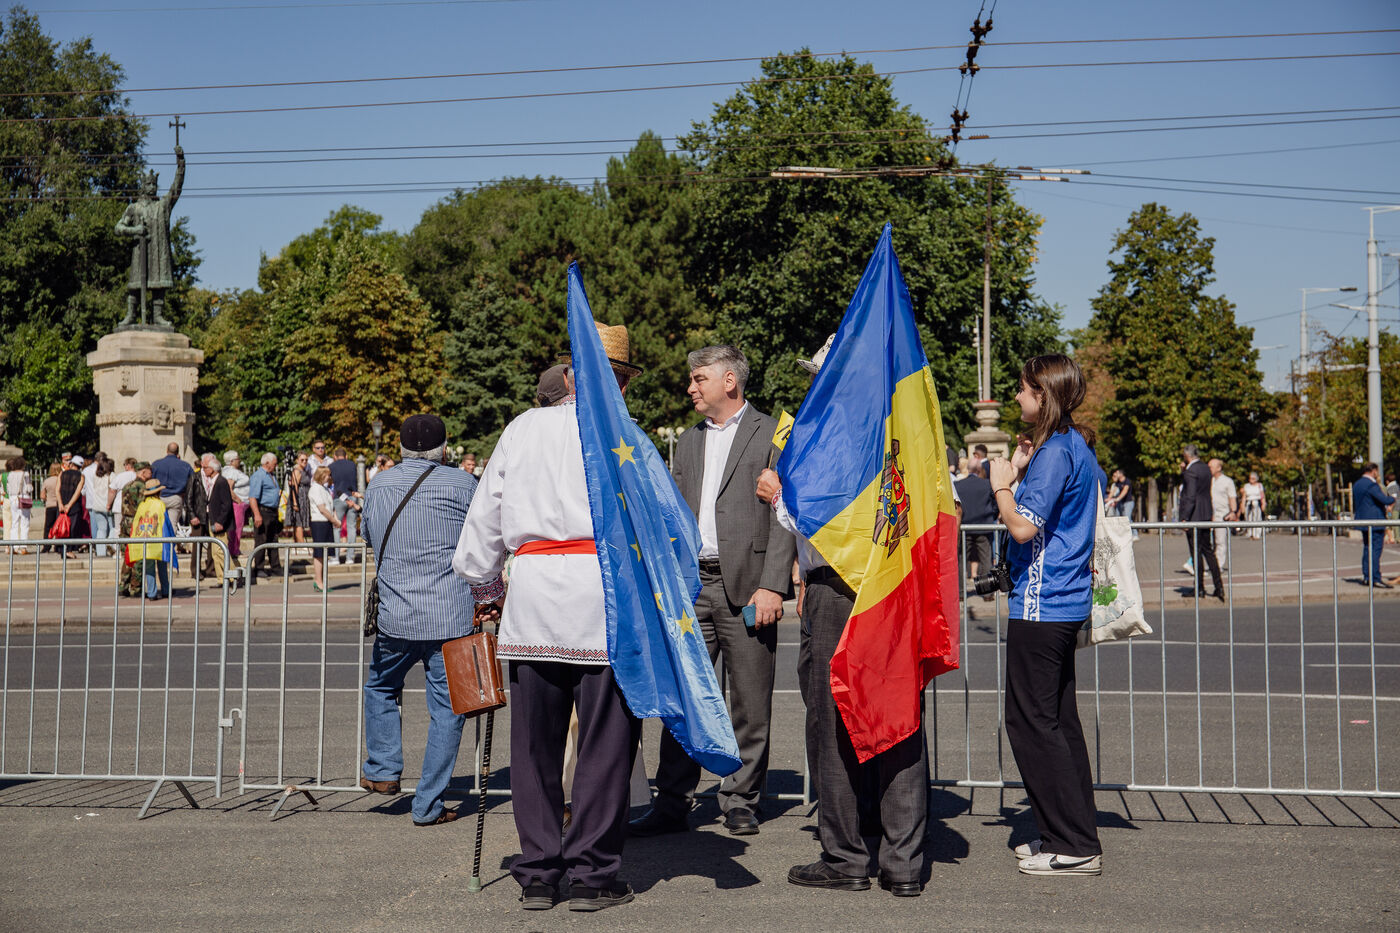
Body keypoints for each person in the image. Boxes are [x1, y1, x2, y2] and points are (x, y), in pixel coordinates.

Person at [453, 323, 645, 912]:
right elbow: (658, 528)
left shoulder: (522, 428)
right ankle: (591, 874)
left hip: (535, 599)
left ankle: (539, 871)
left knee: (534, 746)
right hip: (601, 601)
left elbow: (484, 520)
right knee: (604, 746)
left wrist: (487, 587)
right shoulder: (626, 436)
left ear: (568, 375)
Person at [754, 334, 934, 897]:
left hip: (840, 589)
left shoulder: (831, 432)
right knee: (898, 716)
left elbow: (823, 521)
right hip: (894, 584)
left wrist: (777, 494)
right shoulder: (901, 426)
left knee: (833, 722)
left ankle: (845, 855)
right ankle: (903, 861)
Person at [630, 344, 796, 839]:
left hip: (748, 586)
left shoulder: (775, 433)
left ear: (729, 380)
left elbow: (785, 514)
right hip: (691, 586)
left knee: (749, 700)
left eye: (699, 378)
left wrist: (774, 585)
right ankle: (672, 800)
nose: (690, 388)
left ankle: (741, 798)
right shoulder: (689, 440)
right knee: (685, 697)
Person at [986, 353, 1105, 877]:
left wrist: (1001, 483)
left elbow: (1023, 527)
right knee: (1058, 721)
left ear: (1044, 394)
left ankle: (1073, 844)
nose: (1017, 395)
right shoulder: (1073, 444)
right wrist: (1023, 467)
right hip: (1063, 599)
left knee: (1032, 723)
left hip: (1043, 601)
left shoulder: (1056, 450)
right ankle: (1070, 833)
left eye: (1023, 388)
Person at [360, 413, 480, 828]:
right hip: (450, 615)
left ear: (400, 448)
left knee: (380, 687)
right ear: (444, 449)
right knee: (448, 710)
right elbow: (482, 538)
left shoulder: (378, 485)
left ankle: (382, 768)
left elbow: (369, 536)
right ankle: (428, 804)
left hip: (396, 615)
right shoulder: (463, 484)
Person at [1179, 445, 1224, 601]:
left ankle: (1199, 588)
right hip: (1205, 514)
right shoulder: (1205, 468)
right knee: (1209, 552)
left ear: (1187, 455)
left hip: (1194, 516)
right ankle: (1219, 587)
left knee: (1196, 553)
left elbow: (1190, 495)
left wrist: (1185, 517)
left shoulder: (1191, 471)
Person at [186, 453, 234, 584]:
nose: (205, 468)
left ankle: (215, 571)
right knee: (198, 544)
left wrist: (220, 520)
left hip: (213, 516)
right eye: (206, 465)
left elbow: (225, 503)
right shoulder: (195, 477)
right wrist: (192, 515)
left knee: (215, 548)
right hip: (199, 515)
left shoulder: (218, 480)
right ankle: (196, 571)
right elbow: (189, 498)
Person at [128, 478, 175, 599]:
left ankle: (152, 592)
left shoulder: (142, 505)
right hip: (159, 539)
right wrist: (172, 537)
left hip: (144, 539)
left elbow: (136, 523)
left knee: (149, 568)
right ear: (158, 492)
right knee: (162, 566)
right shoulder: (160, 504)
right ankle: (165, 590)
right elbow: (166, 522)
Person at [955, 461, 998, 588]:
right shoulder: (987, 484)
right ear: (979, 470)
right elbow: (995, 504)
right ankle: (987, 592)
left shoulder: (958, 485)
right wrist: (992, 516)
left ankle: (960, 592)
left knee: (961, 560)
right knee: (985, 559)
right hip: (984, 526)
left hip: (965, 525)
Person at [1353, 462, 1394, 588]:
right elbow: (1384, 499)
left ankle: (1367, 576)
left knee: (1367, 549)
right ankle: (1375, 577)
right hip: (1375, 521)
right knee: (1375, 550)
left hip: (1363, 521)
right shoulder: (1371, 485)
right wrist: (1393, 498)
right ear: (1374, 471)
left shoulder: (1357, 484)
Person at [118, 462, 154, 598]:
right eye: (149, 471)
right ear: (143, 472)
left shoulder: (127, 485)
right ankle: (136, 588)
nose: (151, 474)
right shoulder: (142, 487)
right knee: (139, 556)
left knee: (128, 556)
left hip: (125, 522)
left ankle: (123, 585)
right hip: (137, 523)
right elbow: (143, 507)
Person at [247, 453, 283, 584]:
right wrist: (257, 514)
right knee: (261, 540)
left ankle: (275, 566)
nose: (276, 465)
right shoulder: (259, 476)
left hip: (272, 511)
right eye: (274, 463)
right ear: (267, 463)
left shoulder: (271, 475)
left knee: (273, 539)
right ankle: (259, 567)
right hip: (263, 510)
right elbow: (252, 497)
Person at [328, 446, 361, 565]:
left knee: (336, 527)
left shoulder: (331, 466)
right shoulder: (352, 464)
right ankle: (350, 558)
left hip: (339, 497)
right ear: (346, 456)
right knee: (352, 528)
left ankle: (336, 557)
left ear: (335, 457)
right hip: (352, 497)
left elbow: (331, 484)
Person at [308, 466, 336, 591]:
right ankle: (318, 581)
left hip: (326, 522)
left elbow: (330, 506)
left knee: (325, 553)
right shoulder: (315, 488)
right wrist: (334, 520)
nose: (329, 477)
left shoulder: (324, 488)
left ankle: (322, 581)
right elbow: (322, 508)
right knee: (319, 553)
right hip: (319, 522)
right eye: (327, 475)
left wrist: (333, 519)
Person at [151, 443, 193, 525]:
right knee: (172, 524)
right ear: (178, 452)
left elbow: (151, 481)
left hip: (159, 497)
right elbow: (192, 482)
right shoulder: (185, 465)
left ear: (167, 450)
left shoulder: (156, 464)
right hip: (176, 497)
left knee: (157, 523)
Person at [1208, 458, 1238, 570]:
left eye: (1211, 467)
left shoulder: (1227, 481)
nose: (1209, 469)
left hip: (1222, 515)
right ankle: (1211, 564)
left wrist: (1233, 511)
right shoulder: (1209, 480)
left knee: (1220, 541)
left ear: (1219, 468)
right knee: (1209, 542)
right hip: (1209, 514)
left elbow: (1232, 497)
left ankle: (1218, 565)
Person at [222, 451, 251, 562]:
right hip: (237, 504)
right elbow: (229, 488)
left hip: (240, 504)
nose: (239, 460)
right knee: (236, 528)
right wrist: (238, 500)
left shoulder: (232, 471)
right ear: (232, 461)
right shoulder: (231, 472)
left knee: (237, 528)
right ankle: (234, 550)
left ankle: (234, 549)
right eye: (238, 459)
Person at [57, 456, 88, 554]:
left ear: (71, 464)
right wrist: (69, 505)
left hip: (62, 505)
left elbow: (57, 490)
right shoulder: (81, 476)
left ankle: (61, 548)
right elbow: (77, 493)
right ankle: (69, 550)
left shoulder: (62, 474)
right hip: (74, 506)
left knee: (62, 527)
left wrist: (60, 504)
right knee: (71, 528)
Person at [87, 455, 117, 557]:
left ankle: (100, 552)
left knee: (101, 529)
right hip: (108, 505)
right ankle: (111, 545)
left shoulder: (96, 476)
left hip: (96, 505)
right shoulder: (111, 476)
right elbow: (113, 490)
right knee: (113, 528)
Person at [5, 457, 33, 554]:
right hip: (23, 497)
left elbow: (8, 488)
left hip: (13, 498)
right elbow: (29, 488)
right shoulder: (25, 474)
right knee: (25, 523)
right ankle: (23, 547)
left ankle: (14, 546)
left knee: (14, 523)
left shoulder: (10, 474)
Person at [286, 450, 311, 553]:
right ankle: (301, 544)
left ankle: (298, 544)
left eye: (306, 460)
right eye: (302, 460)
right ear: (297, 460)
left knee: (300, 521)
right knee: (298, 522)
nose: (304, 462)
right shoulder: (297, 471)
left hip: (304, 497)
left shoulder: (304, 470)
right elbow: (294, 487)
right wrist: (295, 502)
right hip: (299, 498)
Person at [40, 462, 61, 552]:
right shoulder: (60, 480)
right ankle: (58, 546)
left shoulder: (47, 481)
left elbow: (42, 496)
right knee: (59, 526)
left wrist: (47, 498)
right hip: (59, 505)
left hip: (50, 505)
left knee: (48, 527)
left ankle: (46, 546)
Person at [1242, 472, 1266, 540]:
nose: (1251, 480)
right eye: (1250, 478)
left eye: (1253, 478)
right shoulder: (1246, 486)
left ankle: (1257, 534)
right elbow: (1244, 496)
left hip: (1256, 503)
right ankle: (1250, 534)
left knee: (1257, 518)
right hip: (1249, 503)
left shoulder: (1259, 485)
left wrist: (1263, 504)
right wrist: (1243, 506)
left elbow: (1262, 495)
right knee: (1249, 518)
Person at [1384, 471, 1399, 547]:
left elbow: (1394, 497)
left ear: (1387, 481)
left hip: (1393, 508)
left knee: (1393, 522)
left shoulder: (1392, 486)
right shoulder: (1396, 486)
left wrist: (1390, 507)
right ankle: (1392, 538)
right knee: (1390, 522)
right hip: (1396, 507)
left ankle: (1396, 538)